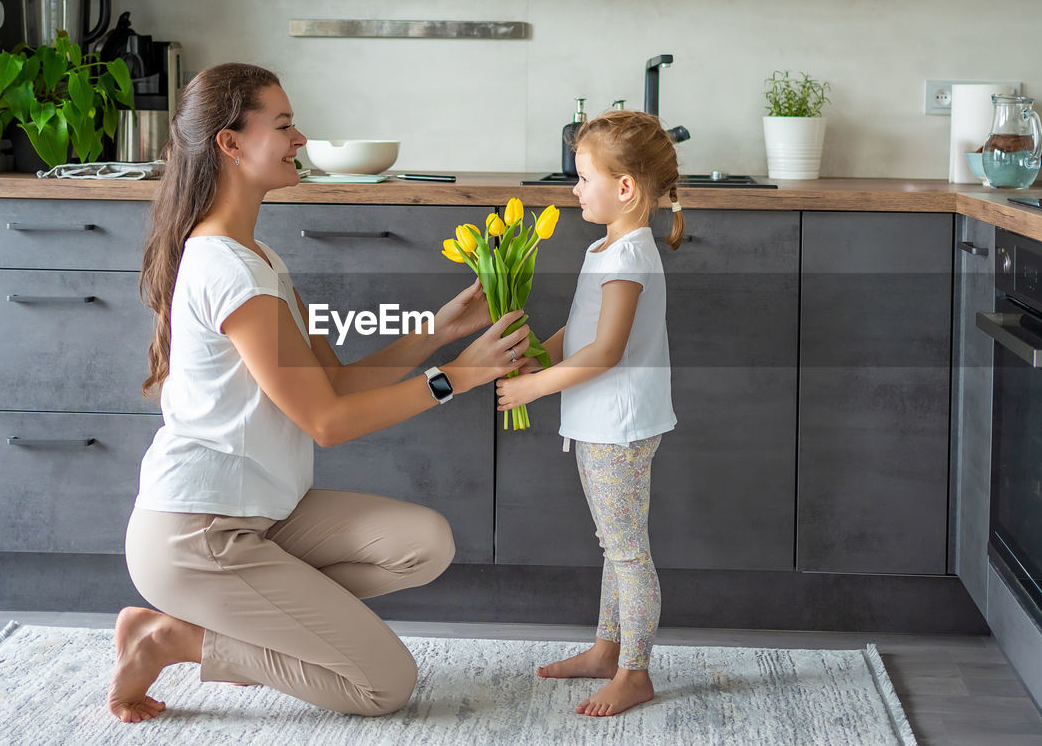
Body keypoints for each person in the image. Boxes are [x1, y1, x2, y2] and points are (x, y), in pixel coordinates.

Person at [107, 62, 531, 723]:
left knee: (424, 541)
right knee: (383, 684)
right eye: (282, 125)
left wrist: (439, 331)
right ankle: (177, 636)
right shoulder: (229, 270)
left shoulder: (261, 259)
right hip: (198, 534)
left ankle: (227, 620)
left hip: (263, 514)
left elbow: (334, 381)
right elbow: (327, 420)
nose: (299, 137)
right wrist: (461, 376)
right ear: (231, 143)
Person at [495, 110, 683, 717]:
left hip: (618, 426)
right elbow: (583, 333)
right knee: (614, 544)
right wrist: (537, 355)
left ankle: (635, 670)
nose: (574, 190)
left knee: (628, 551)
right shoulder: (608, 245)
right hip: (600, 422)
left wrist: (535, 389)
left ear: (624, 187)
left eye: (581, 177)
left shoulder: (627, 257)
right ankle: (608, 649)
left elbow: (606, 351)